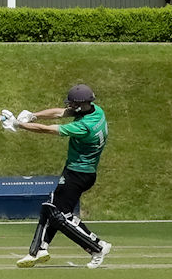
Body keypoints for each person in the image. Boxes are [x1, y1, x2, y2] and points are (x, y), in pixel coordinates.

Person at [8, 83, 112, 269]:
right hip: (83, 173)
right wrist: (33, 115)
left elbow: (48, 130)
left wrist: (20, 125)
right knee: (49, 207)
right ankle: (39, 249)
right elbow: (60, 113)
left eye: (72, 104)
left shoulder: (84, 127)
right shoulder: (96, 111)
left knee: (59, 215)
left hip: (78, 174)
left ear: (80, 105)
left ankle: (96, 247)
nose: (69, 107)